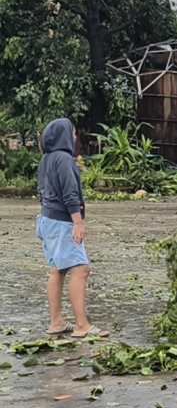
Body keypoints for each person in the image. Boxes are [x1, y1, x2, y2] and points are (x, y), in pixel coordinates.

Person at [36, 118, 108, 339]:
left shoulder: (46, 159)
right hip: (63, 221)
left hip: (47, 219)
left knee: (58, 269)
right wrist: (77, 222)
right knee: (81, 270)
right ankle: (81, 325)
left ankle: (56, 321)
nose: (75, 137)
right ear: (64, 136)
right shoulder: (65, 160)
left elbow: (41, 190)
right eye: (74, 133)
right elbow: (70, 194)